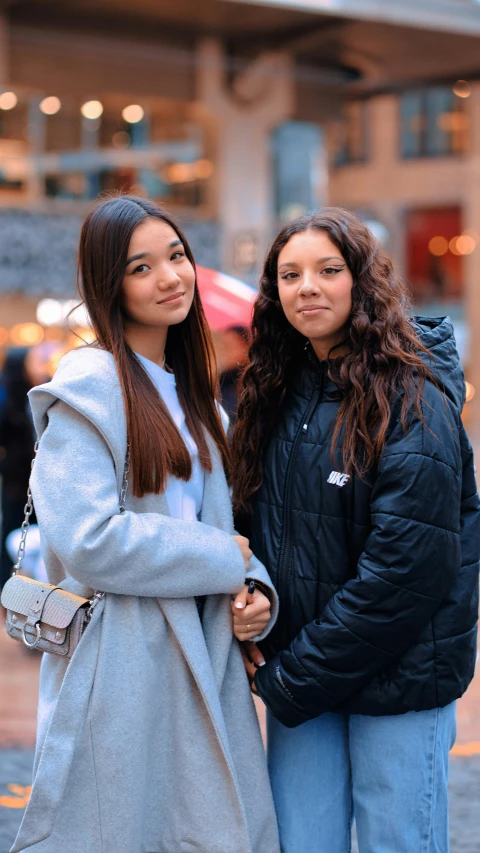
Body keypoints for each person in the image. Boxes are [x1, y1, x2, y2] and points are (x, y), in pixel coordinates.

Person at [11, 195, 280, 853]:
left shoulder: (198, 402)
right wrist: (221, 559)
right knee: (124, 828)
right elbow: (89, 540)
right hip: (122, 657)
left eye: (177, 255)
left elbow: (235, 530)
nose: (170, 276)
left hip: (205, 654)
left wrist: (256, 594)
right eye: (141, 266)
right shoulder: (87, 388)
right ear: (110, 283)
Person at [232, 208, 479, 853]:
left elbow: (408, 571)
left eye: (328, 270)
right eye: (290, 275)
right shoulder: (275, 393)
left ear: (362, 282)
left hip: (396, 678)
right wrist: (249, 591)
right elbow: (249, 527)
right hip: (305, 681)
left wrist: (291, 678)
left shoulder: (415, 397)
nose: (306, 287)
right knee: (300, 843)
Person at [0, 348, 38, 590]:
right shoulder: (7, 398)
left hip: (37, 482)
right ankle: (8, 591)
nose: (39, 365)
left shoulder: (38, 392)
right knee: (13, 537)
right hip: (17, 483)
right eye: (34, 360)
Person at [218, 325, 250, 424]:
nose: (224, 352)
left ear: (245, 347)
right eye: (222, 346)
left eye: (229, 347)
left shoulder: (253, 384)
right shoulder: (221, 381)